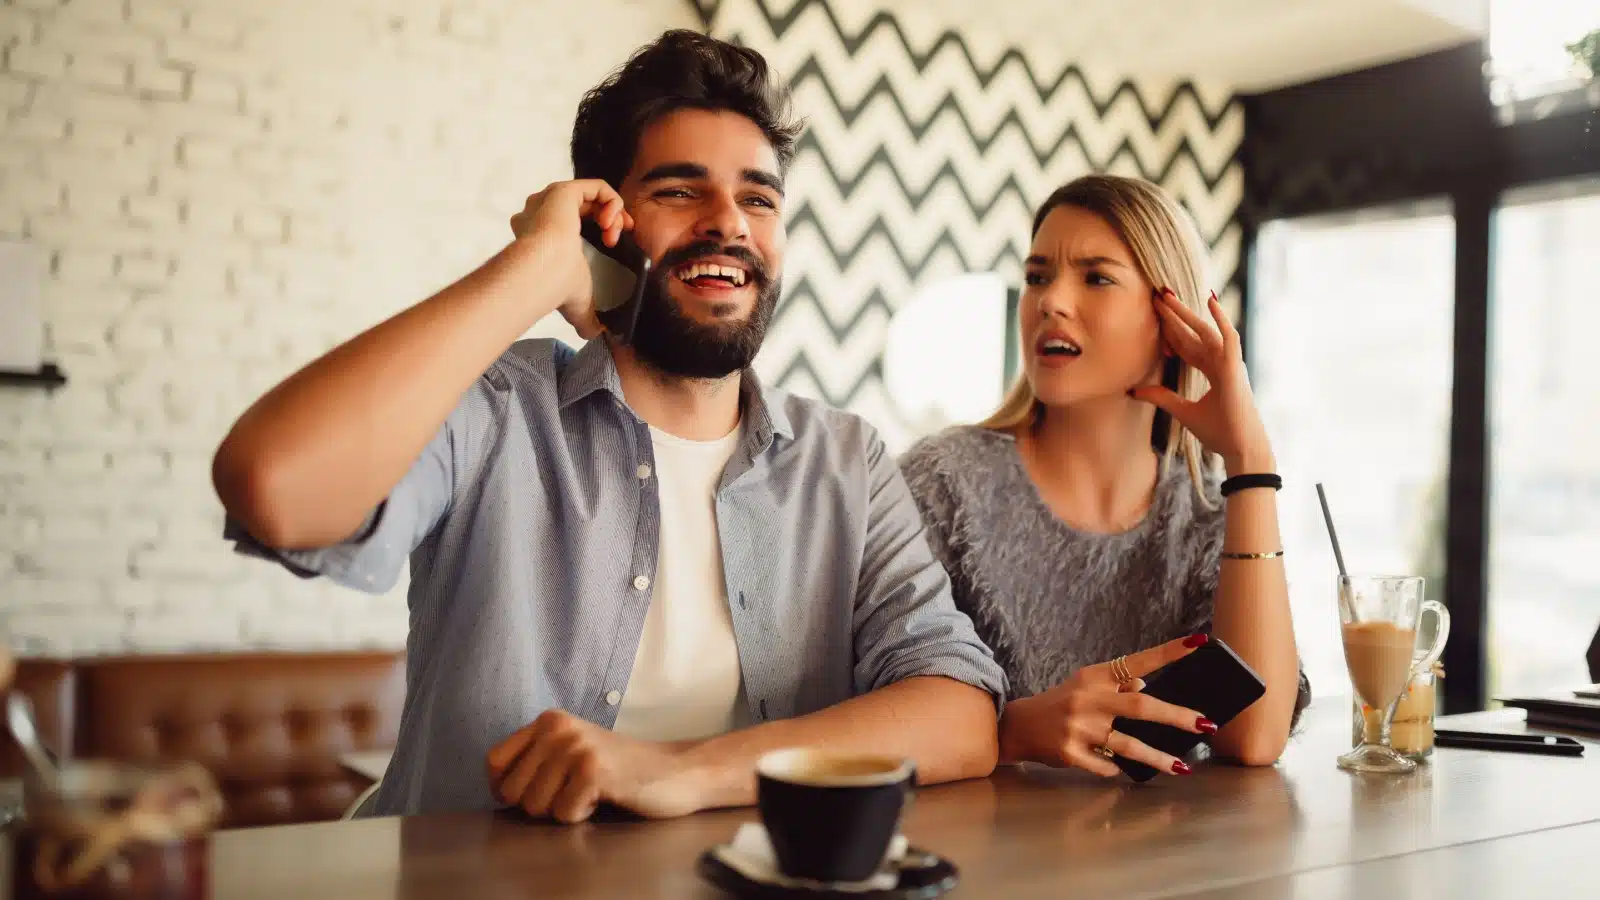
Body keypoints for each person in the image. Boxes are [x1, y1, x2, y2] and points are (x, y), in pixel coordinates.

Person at [212, 30, 1006, 822]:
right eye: (680, 191)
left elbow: (959, 712)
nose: (729, 222)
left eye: (759, 198)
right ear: (605, 229)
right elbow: (274, 488)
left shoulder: (844, 459)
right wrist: (534, 270)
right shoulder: (497, 411)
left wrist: (681, 772)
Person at [901, 174, 1308, 778]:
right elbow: (874, 702)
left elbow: (1253, 737)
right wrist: (1010, 732)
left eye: (1096, 278)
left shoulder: (1204, 516)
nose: (1051, 302)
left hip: (1164, 842)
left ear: (1172, 319)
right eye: (1037, 276)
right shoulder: (942, 484)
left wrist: (1251, 465)